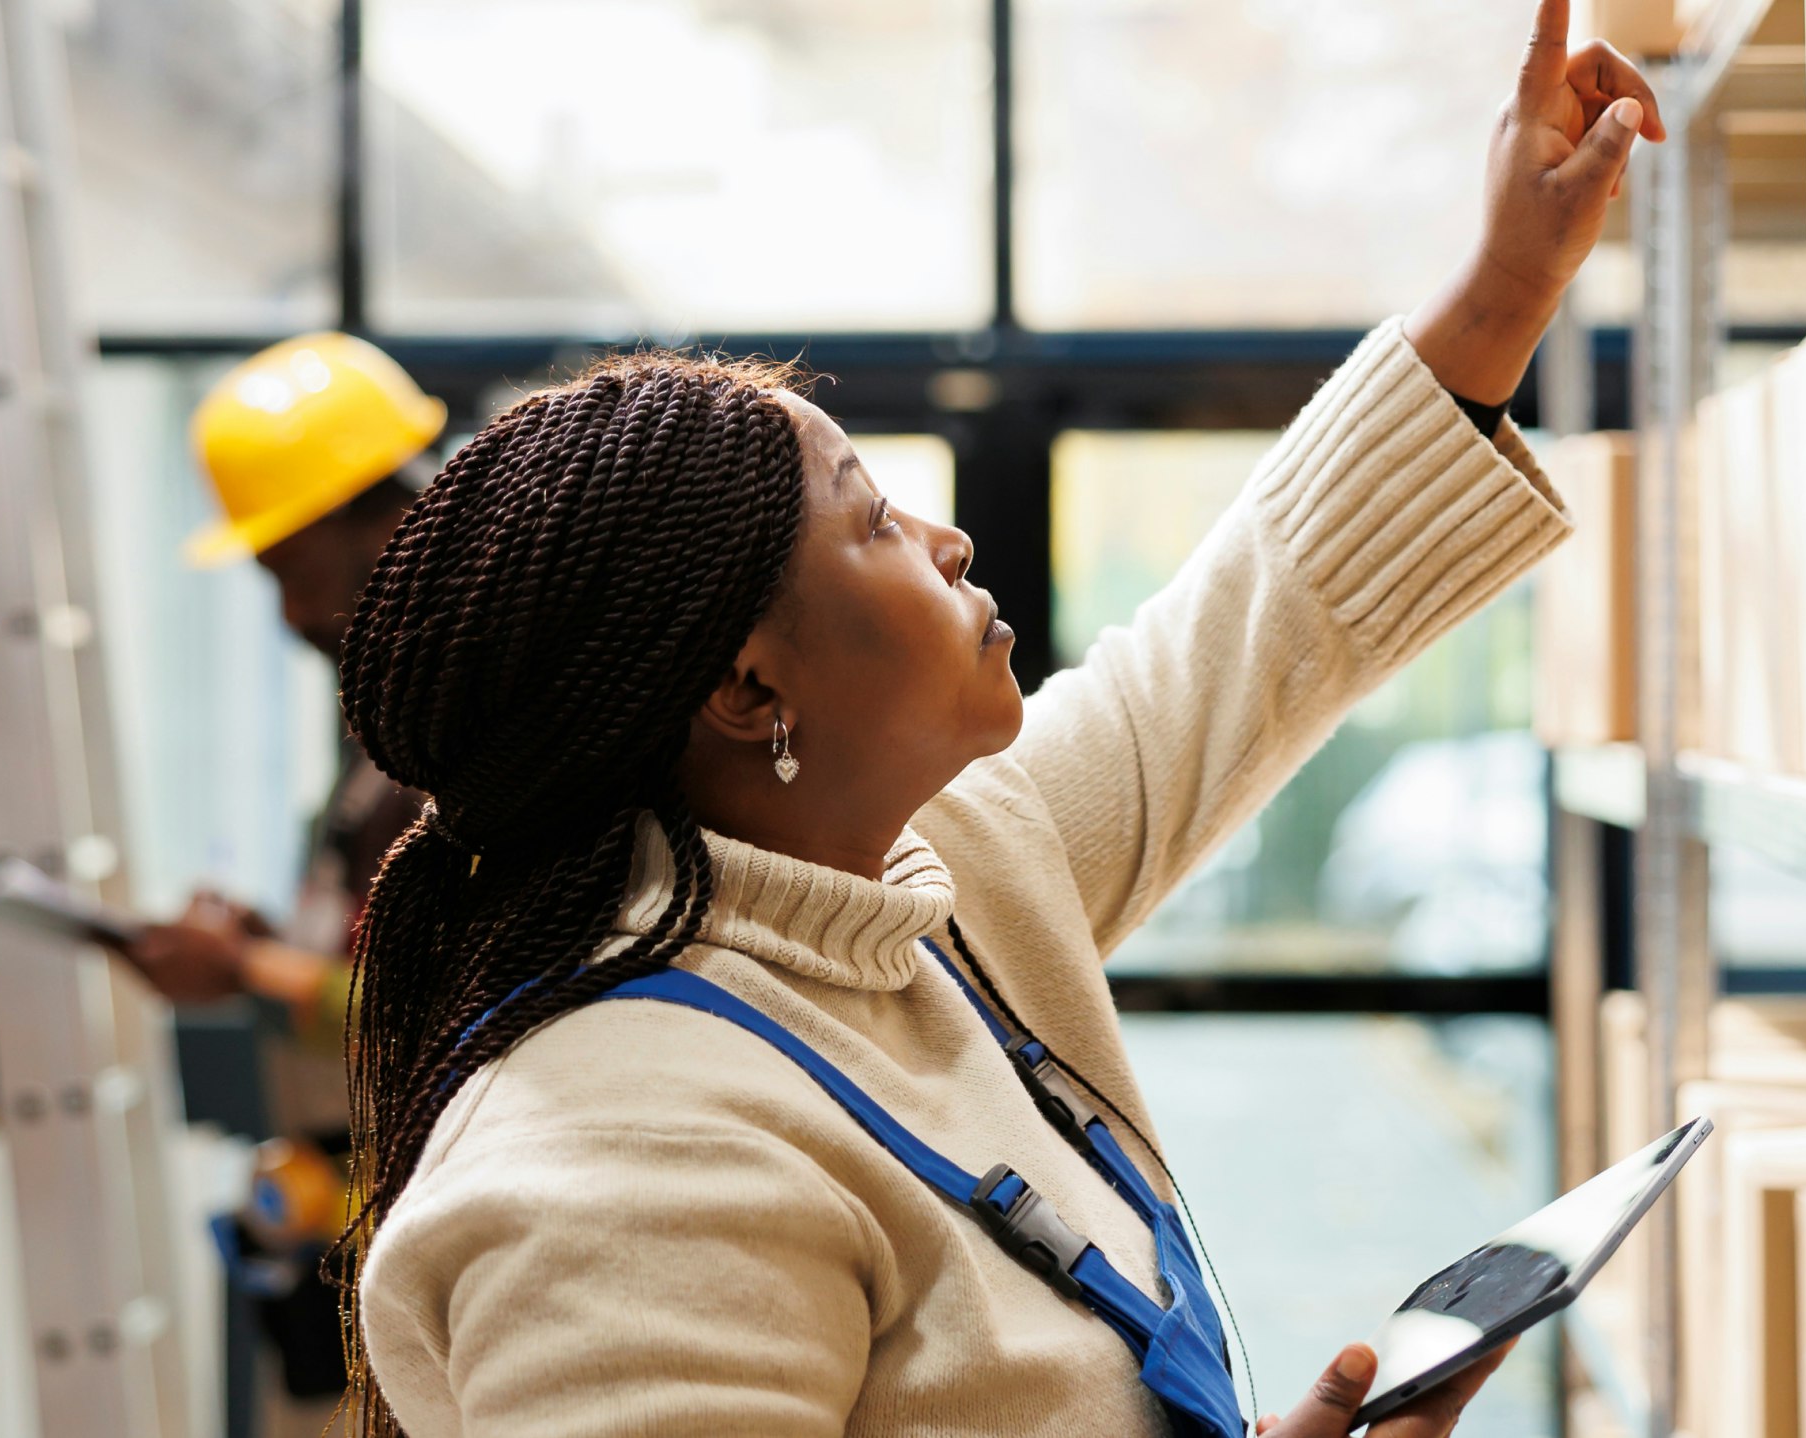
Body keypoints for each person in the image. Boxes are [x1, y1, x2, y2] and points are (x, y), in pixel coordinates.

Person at [341, 7, 1663, 1435]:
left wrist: (1505, 286)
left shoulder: (924, 888)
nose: (951, 537)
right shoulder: (619, 1172)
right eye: (873, 521)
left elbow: (1242, 637)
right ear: (748, 688)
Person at [127, 332, 442, 1407]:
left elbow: (451, 1010)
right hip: (356, 1238)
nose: (296, 617)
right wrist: (264, 944)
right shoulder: (389, 728)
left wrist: (245, 968)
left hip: (418, 1251)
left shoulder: (471, 738)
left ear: (385, 520)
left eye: (295, 575)